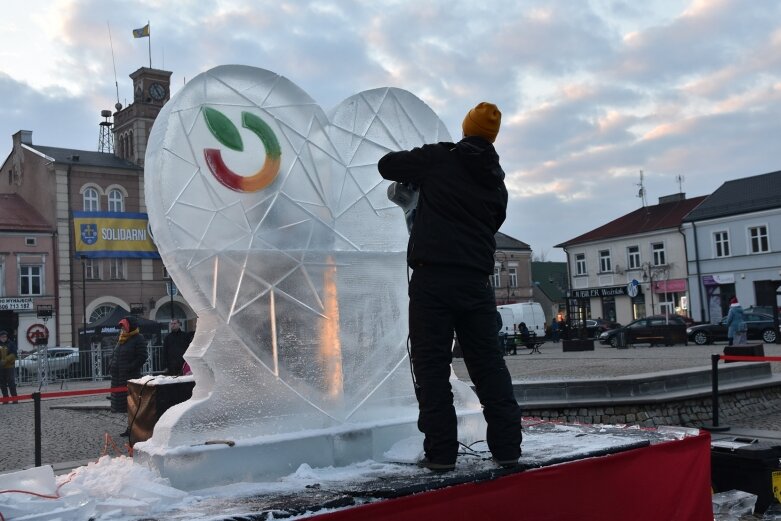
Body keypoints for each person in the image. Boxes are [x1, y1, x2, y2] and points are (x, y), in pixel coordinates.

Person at [378, 101, 522, 472]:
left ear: (466, 128)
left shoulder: (441, 158)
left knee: (431, 368)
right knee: (489, 366)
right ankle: (507, 450)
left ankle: (441, 455)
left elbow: (387, 166)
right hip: (476, 283)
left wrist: (423, 171)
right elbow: (490, 223)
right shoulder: (496, 181)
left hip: (433, 279)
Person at [109, 316, 148, 415]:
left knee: (131, 406)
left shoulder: (138, 338)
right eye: (121, 327)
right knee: (120, 406)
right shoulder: (121, 338)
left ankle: (131, 428)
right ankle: (127, 427)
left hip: (130, 377)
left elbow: (142, 356)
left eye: (124, 326)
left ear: (130, 326)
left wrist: (130, 367)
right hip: (117, 378)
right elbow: (114, 354)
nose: (122, 329)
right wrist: (111, 364)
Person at [0, 330, 18, 404]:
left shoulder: (11, 344)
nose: (3, 338)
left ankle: (15, 398)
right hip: (1, 367)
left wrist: (5, 360)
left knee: (11, 383)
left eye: (5, 337)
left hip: (9, 366)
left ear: (7, 337)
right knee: (2, 384)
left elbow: (14, 354)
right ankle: (5, 399)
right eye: (2, 337)